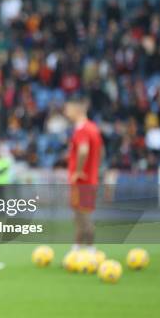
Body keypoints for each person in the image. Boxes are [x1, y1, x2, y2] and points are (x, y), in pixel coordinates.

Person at [63, 96, 103, 251]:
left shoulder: (82, 129)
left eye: (68, 109)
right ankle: (78, 248)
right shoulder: (93, 128)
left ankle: (91, 250)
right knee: (79, 215)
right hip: (90, 178)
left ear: (77, 109)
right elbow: (100, 152)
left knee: (83, 216)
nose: (66, 113)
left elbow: (83, 150)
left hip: (82, 180)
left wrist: (78, 171)